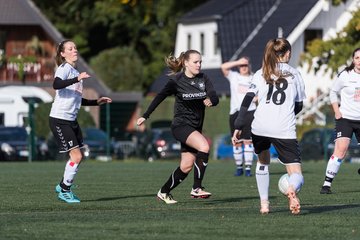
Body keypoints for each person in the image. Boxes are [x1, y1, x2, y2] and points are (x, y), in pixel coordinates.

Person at [231, 38, 306, 215]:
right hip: (283, 128)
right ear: (287, 53)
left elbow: (247, 100)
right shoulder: (295, 74)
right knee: (296, 174)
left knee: (263, 163)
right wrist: (284, 113)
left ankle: (264, 205)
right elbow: (299, 106)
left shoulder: (260, 73)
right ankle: (291, 188)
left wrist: (239, 125)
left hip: (260, 127)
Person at [137, 49, 219, 204]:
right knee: (204, 146)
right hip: (180, 126)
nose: (199, 65)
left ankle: (164, 192)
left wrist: (211, 101)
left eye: (200, 61)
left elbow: (214, 95)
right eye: (195, 62)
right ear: (186, 63)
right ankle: (196, 188)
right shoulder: (177, 80)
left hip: (195, 127)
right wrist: (145, 115)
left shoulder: (204, 78)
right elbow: (159, 97)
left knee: (186, 166)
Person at [50, 39, 112, 203]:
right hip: (60, 119)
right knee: (76, 156)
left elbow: (77, 99)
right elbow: (56, 84)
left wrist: (96, 102)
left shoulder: (74, 71)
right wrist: (77, 79)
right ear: (63, 54)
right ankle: (64, 190)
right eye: (70, 48)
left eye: (75, 48)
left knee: (79, 156)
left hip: (70, 120)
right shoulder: (64, 68)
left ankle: (63, 185)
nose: (74, 50)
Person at [320, 47, 360, 194]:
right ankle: (326, 184)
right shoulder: (345, 75)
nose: (359, 61)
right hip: (346, 119)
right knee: (341, 150)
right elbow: (332, 92)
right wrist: (337, 111)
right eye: (357, 58)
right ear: (353, 59)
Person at [221, 57, 256, 177]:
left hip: (250, 112)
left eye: (246, 64)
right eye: (242, 65)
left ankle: (248, 169)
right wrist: (238, 61)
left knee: (248, 141)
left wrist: (257, 98)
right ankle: (239, 168)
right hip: (235, 112)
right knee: (236, 141)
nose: (244, 67)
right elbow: (223, 67)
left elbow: (260, 93)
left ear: (249, 65)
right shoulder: (234, 76)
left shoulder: (254, 78)